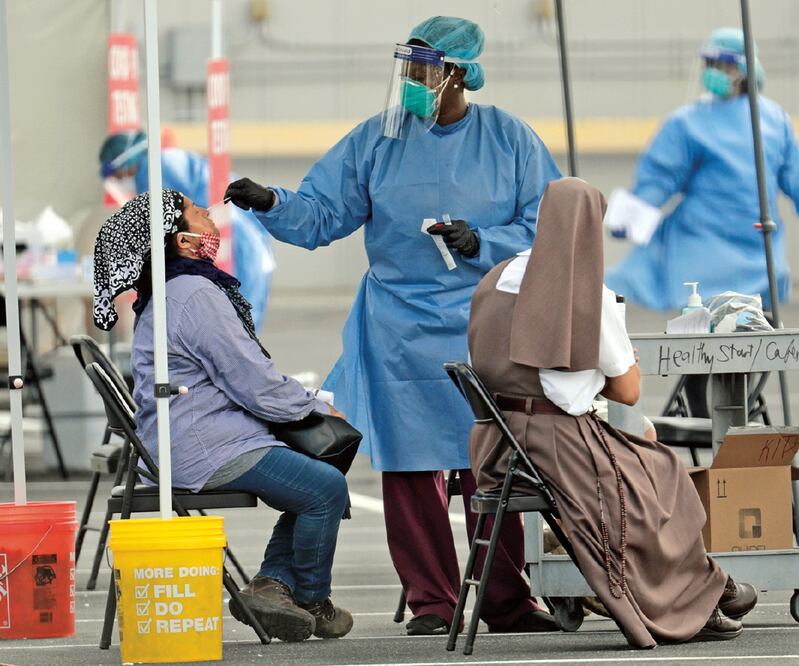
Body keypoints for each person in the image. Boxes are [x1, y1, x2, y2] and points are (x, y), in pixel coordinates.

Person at [225, 16, 562, 636]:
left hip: (486, 320)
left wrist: (483, 239)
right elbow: (324, 213)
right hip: (399, 327)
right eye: (406, 65)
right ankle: (433, 601)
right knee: (410, 469)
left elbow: (549, 222)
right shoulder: (377, 139)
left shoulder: (509, 139)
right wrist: (272, 203)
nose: (409, 78)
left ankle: (507, 600)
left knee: (493, 464)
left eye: (423, 68)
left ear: (457, 72)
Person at [468, 178, 758, 648]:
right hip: (558, 444)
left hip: (498, 444)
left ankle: (708, 588)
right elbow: (627, 390)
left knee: (648, 472)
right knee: (661, 477)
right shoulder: (587, 293)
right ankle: (695, 598)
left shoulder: (497, 277)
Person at [92, 190, 353, 642]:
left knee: (318, 474)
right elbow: (250, 380)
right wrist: (314, 405)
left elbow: (244, 377)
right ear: (183, 240)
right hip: (204, 445)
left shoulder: (170, 291)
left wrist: (300, 400)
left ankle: (273, 586)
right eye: (198, 213)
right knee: (326, 486)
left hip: (190, 436)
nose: (211, 219)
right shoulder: (193, 293)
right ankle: (310, 598)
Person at [606, 28, 799, 311]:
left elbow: (657, 180)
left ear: (744, 68)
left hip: (698, 255)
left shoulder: (689, 123)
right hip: (759, 263)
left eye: (722, 65)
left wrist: (626, 221)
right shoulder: (775, 120)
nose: (713, 71)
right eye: (709, 64)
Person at [98, 131, 274, 331]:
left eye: (116, 174)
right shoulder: (163, 164)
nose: (118, 180)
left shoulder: (155, 172)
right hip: (245, 243)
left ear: (125, 163)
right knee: (238, 331)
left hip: (235, 245)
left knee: (234, 331)